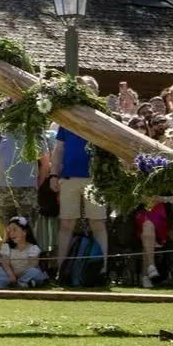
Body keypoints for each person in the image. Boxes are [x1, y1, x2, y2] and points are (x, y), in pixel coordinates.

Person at [51, 80, 108, 274]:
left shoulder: (103, 118)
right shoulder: (67, 117)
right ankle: (61, 269)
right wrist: (53, 173)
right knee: (66, 224)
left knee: (97, 223)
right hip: (69, 177)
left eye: (89, 89)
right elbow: (59, 149)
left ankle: (102, 269)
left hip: (95, 179)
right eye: (82, 89)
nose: (85, 92)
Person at [0, 216, 48, 288]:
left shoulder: (33, 248)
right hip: (11, 275)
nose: (11, 233)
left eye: (14, 230)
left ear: (24, 232)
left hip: (26, 273)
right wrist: (11, 274)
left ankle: (20, 282)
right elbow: (5, 263)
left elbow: (32, 265)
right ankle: (23, 283)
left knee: (34, 272)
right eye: (10, 231)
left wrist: (17, 275)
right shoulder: (7, 247)